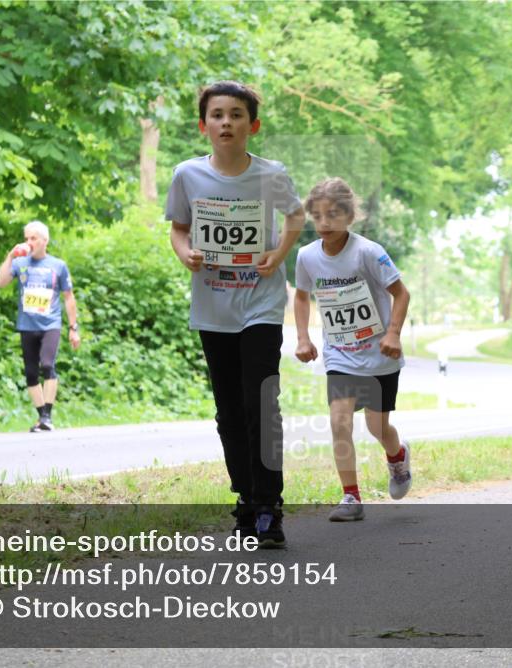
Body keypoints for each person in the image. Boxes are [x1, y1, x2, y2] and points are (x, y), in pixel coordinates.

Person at [165, 81, 305, 548]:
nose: (227, 122)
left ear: (253, 125)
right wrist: (185, 253)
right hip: (213, 306)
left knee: (260, 403)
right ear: (203, 125)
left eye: (237, 114)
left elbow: (296, 216)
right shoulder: (187, 174)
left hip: (261, 303)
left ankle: (269, 507)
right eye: (218, 114)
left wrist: (277, 254)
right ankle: (245, 499)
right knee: (228, 411)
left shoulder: (271, 174)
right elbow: (179, 228)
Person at [293, 178, 412, 522]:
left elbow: (401, 294)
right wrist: (303, 338)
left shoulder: (368, 252)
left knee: (378, 428)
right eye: (317, 216)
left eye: (333, 214)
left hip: (379, 356)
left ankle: (397, 456)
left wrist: (393, 334)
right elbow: (301, 296)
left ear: (350, 215)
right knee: (339, 421)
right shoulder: (307, 256)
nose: (324, 223)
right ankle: (351, 496)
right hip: (340, 355)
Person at [0, 220, 80, 432]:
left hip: (50, 324)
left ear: (45, 240)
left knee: (48, 365)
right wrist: (10, 256)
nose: (29, 242)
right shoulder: (20, 263)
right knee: (31, 373)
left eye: (33, 238)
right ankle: (42, 417)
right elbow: (0, 282)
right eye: (26, 238)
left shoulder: (57, 266)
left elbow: (68, 297)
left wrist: (73, 328)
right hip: (27, 325)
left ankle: (47, 416)